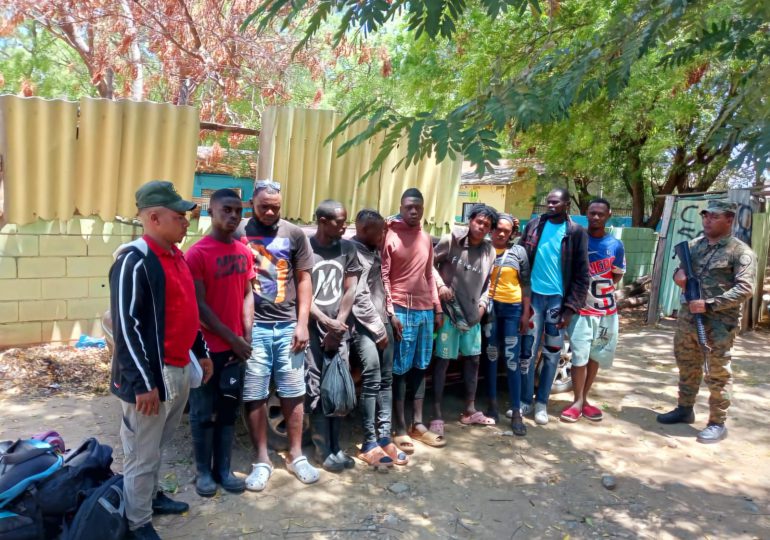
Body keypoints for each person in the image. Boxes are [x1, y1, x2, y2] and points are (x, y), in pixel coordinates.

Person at [109, 180, 210, 540]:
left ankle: (150, 498)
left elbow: (186, 309)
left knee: (157, 445)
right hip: (151, 377)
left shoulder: (176, 256)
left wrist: (201, 351)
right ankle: (137, 523)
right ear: (154, 218)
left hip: (178, 368)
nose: (186, 221)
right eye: (179, 216)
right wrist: (143, 384)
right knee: (141, 452)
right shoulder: (134, 261)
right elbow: (127, 328)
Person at [239, 179, 318, 488]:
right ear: (251, 204)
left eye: (276, 207)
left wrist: (302, 323)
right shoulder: (238, 231)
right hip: (253, 328)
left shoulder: (294, 234)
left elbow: (304, 280)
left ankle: (296, 455)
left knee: (293, 391)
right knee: (255, 393)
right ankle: (262, 460)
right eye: (264, 207)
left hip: (287, 326)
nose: (270, 212)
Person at [657, 199, 756, 443]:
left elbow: (746, 289)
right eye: (706, 216)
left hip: (719, 324)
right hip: (688, 319)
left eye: (714, 216)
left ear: (729, 220)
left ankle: (717, 422)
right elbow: (679, 272)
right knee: (687, 364)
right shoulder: (693, 246)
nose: (708, 220)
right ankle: (684, 408)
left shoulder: (740, 251)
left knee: (717, 373)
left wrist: (710, 304)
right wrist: (679, 276)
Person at [185, 189, 254, 497]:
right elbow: (200, 306)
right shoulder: (197, 254)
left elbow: (248, 294)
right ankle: (203, 473)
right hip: (206, 349)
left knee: (228, 410)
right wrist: (233, 339)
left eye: (238, 211)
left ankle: (223, 470)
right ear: (210, 212)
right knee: (202, 411)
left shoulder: (243, 251)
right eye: (226, 210)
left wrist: (246, 335)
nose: (233, 216)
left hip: (235, 349)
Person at [518, 188, 589, 425]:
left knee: (551, 353)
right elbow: (520, 256)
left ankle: (541, 403)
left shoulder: (576, 232)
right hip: (533, 299)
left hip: (557, 302)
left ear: (567, 205)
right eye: (548, 202)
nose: (550, 205)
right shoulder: (534, 226)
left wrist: (570, 309)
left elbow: (582, 275)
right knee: (527, 352)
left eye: (556, 202)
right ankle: (525, 400)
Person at [381, 188, 443, 452]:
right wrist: (391, 312)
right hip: (400, 310)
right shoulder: (390, 236)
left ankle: (417, 424)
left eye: (418, 206)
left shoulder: (426, 238)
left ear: (423, 208)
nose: (414, 211)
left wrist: (437, 308)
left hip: (425, 310)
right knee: (400, 370)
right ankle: (399, 426)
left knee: (420, 367)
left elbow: (429, 275)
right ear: (401, 208)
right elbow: (384, 277)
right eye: (409, 207)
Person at [304, 200, 361, 472]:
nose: (345, 227)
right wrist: (325, 322)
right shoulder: (306, 248)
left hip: (338, 331)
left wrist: (338, 325)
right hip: (312, 330)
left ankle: (337, 446)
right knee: (316, 389)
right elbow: (302, 293)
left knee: (338, 387)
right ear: (323, 221)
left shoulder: (348, 249)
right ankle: (321, 449)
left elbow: (350, 289)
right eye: (340, 222)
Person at [432, 204, 497, 438]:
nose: (482, 227)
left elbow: (488, 284)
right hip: (448, 313)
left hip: (472, 316)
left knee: (473, 361)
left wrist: (482, 307)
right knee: (442, 362)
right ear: (470, 220)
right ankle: (436, 414)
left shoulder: (490, 251)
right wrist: (440, 285)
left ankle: (470, 410)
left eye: (487, 225)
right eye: (479, 222)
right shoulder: (451, 240)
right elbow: (428, 264)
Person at [350, 209, 406, 467]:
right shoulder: (352, 251)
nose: (384, 235)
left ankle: (385, 437)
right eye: (380, 231)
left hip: (383, 322)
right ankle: (369, 441)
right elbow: (358, 295)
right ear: (364, 230)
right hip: (364, 327)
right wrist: (378, 329)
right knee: (371, 380)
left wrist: (390, 315)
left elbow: (381, 287)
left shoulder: (374, 250)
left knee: (386, 380)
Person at [560, 199, 625, 423]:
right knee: (579, 356)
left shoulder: (615, 245)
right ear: (586, 214)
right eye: (592, 213)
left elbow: (616, 275)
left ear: (608, 215)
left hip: (606, 311)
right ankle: (577, 401)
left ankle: (584, 399)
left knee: (595, 355)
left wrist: (600, 289)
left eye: (600, 214)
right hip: (581, 309)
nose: (596, 217)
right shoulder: (577, 239)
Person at [484, 213, 531, 435]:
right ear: (492, 229)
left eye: (506, 230)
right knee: (491, 357)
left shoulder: (518, 252)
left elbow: (526, 283)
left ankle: (516, 411)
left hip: (513, 309)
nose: (501, 233)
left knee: (512, 360)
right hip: (490, 310)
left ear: (512, 233)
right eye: (498, 229)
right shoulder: (484, 249)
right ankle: (492, 405)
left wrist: (525, 313)